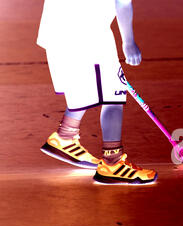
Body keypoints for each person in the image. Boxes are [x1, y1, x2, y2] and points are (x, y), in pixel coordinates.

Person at [37, 0, 157, 185]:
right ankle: (113, 162)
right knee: (113, 93)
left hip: (56, 30)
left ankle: (65, 137)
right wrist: (129, 42)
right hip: (85, 35)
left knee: (84, 85)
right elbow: (123, 4)